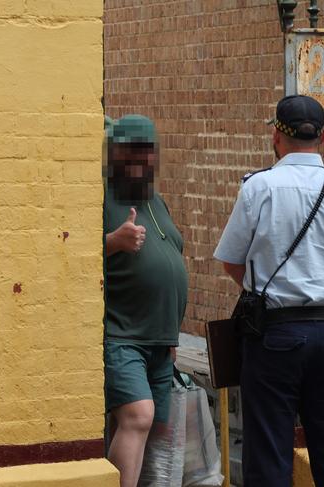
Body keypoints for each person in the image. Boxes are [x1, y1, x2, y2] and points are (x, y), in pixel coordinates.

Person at [214, 95, 324, 487]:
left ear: (276, 135)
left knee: (269, 452)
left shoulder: (259, 188)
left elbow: (232, 261)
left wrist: (266, 295)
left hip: (275, 335)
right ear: (322, 136)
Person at [103, 115, 188, 487]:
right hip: (123, 335)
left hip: (160, 341)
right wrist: (113, 241)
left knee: (155, 433)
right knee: (138, 416)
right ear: (114, 155)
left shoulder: (156, 200)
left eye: (147, 151)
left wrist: (172, 335)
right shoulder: (102, 196)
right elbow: (66, 255)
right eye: (131, 152)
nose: (140, 160)